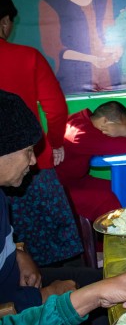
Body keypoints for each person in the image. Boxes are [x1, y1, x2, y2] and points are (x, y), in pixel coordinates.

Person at [0, 90, 102, 319]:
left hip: (19, 282)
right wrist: (46, 295)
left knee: (110, 279)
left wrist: (18, 254)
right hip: (17, 308)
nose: (34, 161)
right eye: (27, 152)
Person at [0, 0, 82, 266]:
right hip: (31, 168)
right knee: (57, 257)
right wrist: (53, 143)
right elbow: (56, 110)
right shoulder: (27, 57)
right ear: (4, 22)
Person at [39, 0, 121, 93]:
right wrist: (92, 59)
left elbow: (109, 27)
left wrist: (116, 49)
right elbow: (54, 48)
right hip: (72, 78)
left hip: (107, 75)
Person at [56, 101, 126, 224]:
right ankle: (107, 242)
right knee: (107, 200)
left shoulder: (84, 120)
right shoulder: (81, 134)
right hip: (59, 189)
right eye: (117, 129)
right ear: (105, 122)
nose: (119, 134)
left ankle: (102, 238)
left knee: (121, 192)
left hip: (77, 181)